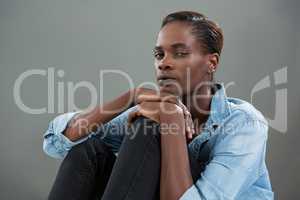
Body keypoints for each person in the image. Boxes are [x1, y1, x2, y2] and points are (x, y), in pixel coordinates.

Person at [43, 11, 274, 200]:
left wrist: (170, 119)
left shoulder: (244, 123)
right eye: (159, 54)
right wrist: (132, 97)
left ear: (211, 63)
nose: (164, 63)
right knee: (90, 151)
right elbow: (57, 143)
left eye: (180, 53)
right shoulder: (150, 110)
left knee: (150, 129)